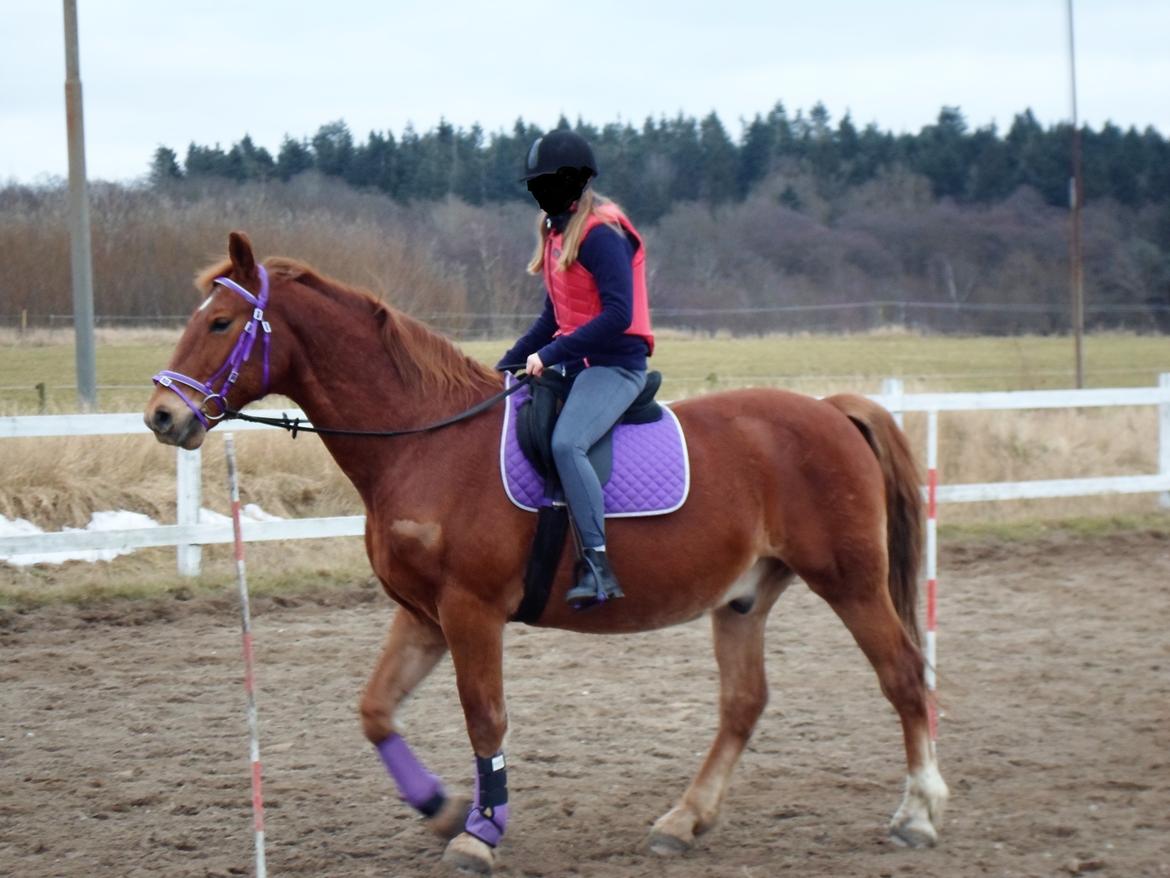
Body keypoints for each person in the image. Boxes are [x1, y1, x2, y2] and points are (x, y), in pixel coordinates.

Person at [498, 129, 655, 609]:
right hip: (579, 365)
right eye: (534, 184)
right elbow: (555, 318)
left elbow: (616, 317)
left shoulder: (601, 235)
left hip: (616, 366)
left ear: (573, 182)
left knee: (568, 443)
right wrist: (503, 366)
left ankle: (597, 564)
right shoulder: (558, 232)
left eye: (545, 182)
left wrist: (549, 356)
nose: (538, 193)